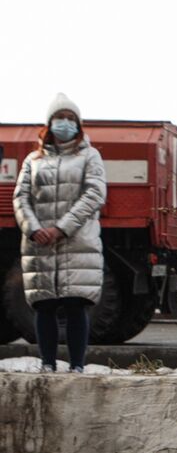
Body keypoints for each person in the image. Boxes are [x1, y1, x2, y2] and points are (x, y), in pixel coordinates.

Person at [12, 93, 107, 374]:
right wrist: (35, 229)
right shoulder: (33, 160)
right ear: (49, 124)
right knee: (44, 305)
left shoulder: (90, 156)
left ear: (78, 125)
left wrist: (61, 227)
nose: (64, 123)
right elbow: (21, 198)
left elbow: (95, 193)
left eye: (70, 119)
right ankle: (47, 363)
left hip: (77, 241)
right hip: (40, 244)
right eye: (59, 118)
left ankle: (77, 365)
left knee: (76, 304)